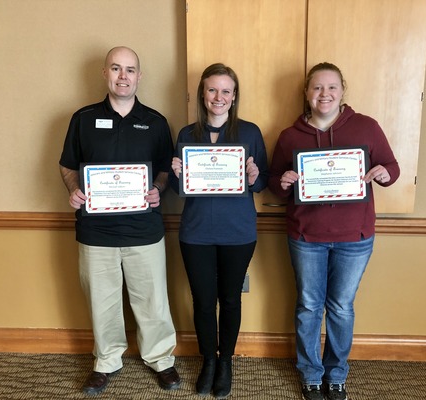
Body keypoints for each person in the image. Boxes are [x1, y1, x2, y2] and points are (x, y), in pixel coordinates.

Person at [268, 62, 400, 400]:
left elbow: (392, 166)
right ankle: (311, 373)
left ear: (342, 91)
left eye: (331, 87)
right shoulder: (290, 136)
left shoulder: (367, 127)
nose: (324, 94)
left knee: (341, 307)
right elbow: (274, 184)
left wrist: (385, 173)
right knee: (309, 307)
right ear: (307, 93)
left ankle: (336, 373)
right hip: (306, 236)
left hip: (354, 237)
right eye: (317, 88)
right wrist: (283, 183)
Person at [59, 46, 180, 395]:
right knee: (102, 301)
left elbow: (163, 170)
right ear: (105, 73)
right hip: (95, 232)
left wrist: (158, 189)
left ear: (139, 77)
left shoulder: (155, 122)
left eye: (130, 70)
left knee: (152, 299)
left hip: (144, 229)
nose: (123, 76)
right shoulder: (82, 118)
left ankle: (161, 359)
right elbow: (68, 165)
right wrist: (74, 190)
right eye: (116, 68)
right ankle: (106, 361)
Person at [168, 63, 268, 399]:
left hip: (238, 232)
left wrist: (254, 176)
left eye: (226, 90)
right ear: (202, 94)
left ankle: (226, 362)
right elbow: (177, 189)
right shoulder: (186, 135)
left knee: (229, 299)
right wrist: (176, 173)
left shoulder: (250, 133)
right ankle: (208, 360)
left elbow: (263, 182)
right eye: (212, 90)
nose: (219, 97)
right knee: (202, 300)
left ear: (235, 96)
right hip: (195, 232)